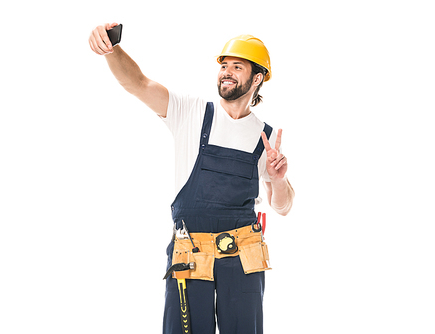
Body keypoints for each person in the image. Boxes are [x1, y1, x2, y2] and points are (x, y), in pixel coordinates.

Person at [89, 23, 295, 334]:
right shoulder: (191, 112)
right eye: (224, 66)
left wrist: (279, 179)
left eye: (237, 67)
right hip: (190, 253)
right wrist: (111, 49)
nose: (226, 72)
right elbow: (138, 84)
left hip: (243, 255)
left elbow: (283, 206)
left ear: (257, 78)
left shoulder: (264, 137)